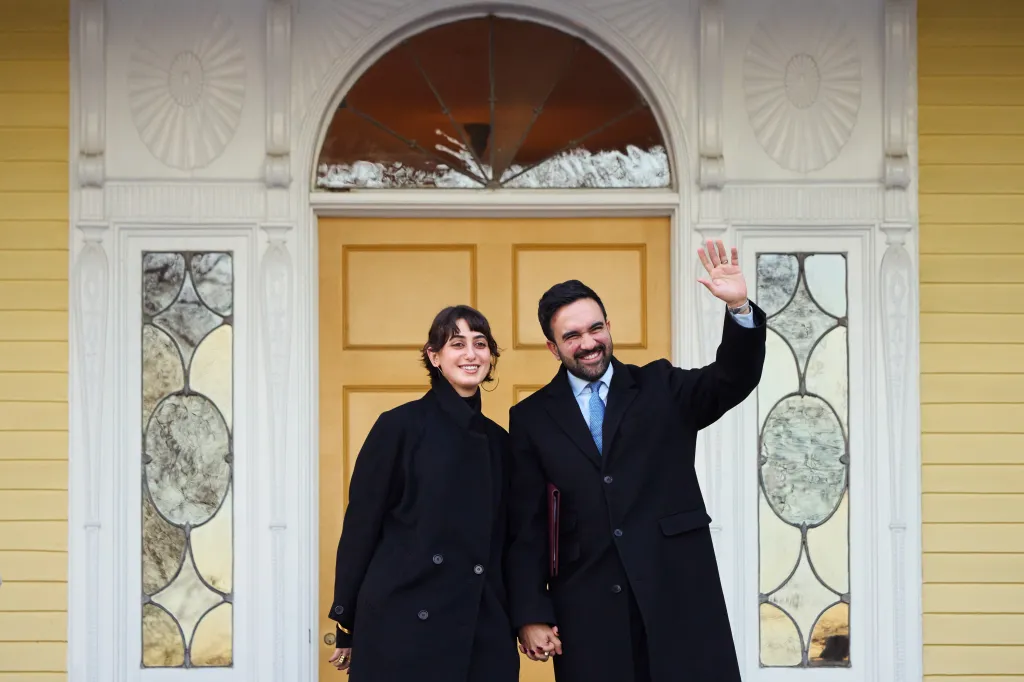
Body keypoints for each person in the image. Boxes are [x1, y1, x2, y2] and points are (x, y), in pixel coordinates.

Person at [505, 240, 766, 682]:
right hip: (587, 610)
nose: (588, 343)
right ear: (553, 347)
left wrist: (739, 307)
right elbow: (526, 523)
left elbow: (732, 378)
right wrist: (530, 612)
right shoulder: (530, 418)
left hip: (678, 593)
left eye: (595, 329)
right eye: (572, 336)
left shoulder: (661, 387)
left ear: (608, 325)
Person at [326, 305, 519, 682]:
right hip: (401, 624)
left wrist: (522, 616)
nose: (471, 354)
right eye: (457, 344)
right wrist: (345, 618)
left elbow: (511, 541)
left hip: (481, 626)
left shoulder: (500, 443)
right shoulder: (398, 427)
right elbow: (362, 525)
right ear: (434, 356)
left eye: (480, 344)